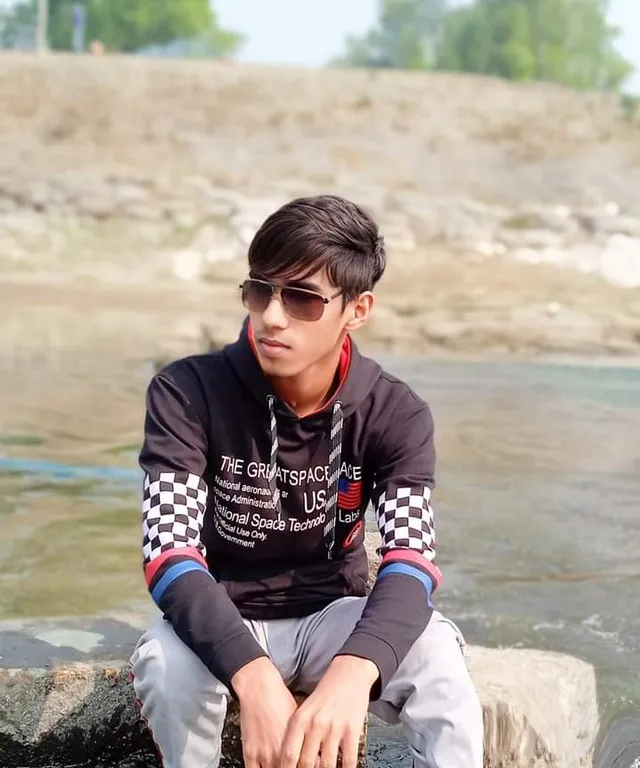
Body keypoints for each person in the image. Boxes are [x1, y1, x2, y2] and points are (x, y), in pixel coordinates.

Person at [128, 194, 484, 768]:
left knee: (438, 651)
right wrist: (254, 677)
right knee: (167, 669)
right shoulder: (187, 393)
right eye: (260, 290)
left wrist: (354, 670)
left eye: (302, 299)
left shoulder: (395, 412)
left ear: (357, 309)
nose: (272, 315)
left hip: (332, 614)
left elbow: (411, 561)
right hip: (223, 611)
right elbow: (169, 554)